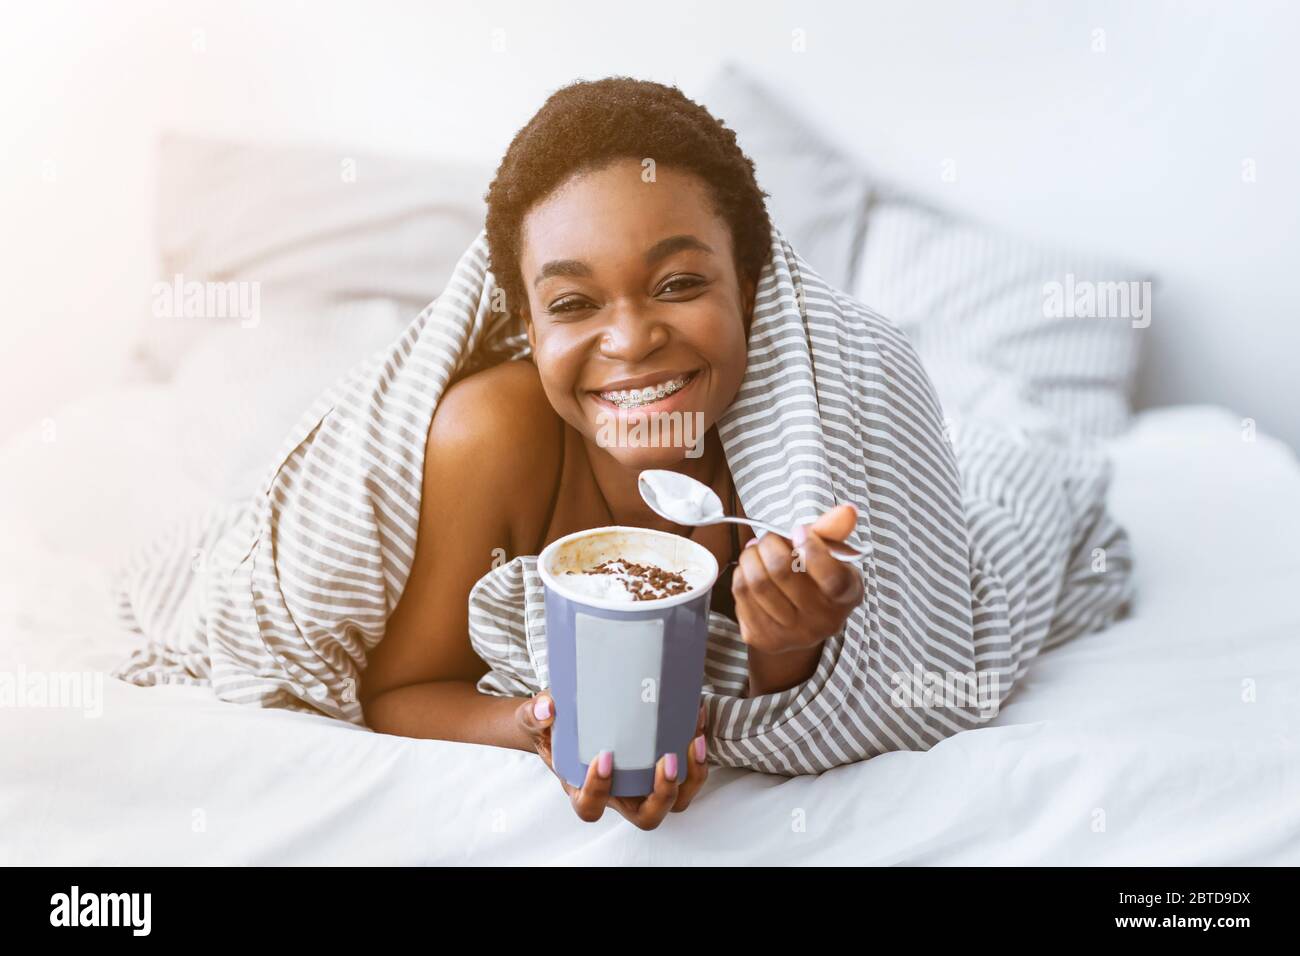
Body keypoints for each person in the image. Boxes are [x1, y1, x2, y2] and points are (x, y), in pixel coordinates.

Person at [359, 77, 862, 829]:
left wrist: (786, 646)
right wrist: (539, 727)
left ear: (750, 293)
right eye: (572, 303)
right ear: (528, 328)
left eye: (680, 283)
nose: (631, 341)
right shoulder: (493, 436)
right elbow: (401, 693)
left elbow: (828, 706)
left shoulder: (798, 450)